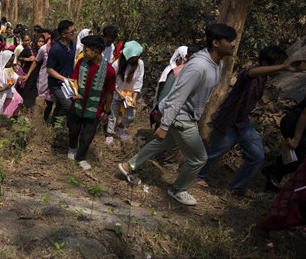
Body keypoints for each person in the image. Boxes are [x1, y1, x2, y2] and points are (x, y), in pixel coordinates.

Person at [118, 23, 237, 206]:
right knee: (199, 158)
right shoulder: (198, 66)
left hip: (187, 115)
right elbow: (177, 97)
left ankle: (128, 166)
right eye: (229, 40)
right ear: (215, 42)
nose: (233, 44)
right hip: (181, 116)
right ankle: (178, 189)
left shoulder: (216, 64)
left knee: (161, 144)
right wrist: (164, 125)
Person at [197, 46, 299, 195]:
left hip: (243, 124)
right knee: (215, 152)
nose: (279, 69)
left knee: (257, 156)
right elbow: (251, 73)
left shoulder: (264, 79)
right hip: (228, 121)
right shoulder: (250, 72)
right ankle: (198, 176)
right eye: (277, 64)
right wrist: (284, 66)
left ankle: (237, 188)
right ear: (265, 62)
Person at [68, 35, 116, 171]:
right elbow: (75, 78)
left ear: (96, 52)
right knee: (73, 129)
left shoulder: (110, 71)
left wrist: (107, 111)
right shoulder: (81, 62)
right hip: (77, 104)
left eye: (86, 50)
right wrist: (75, 91)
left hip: (95, 108)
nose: (84, 52)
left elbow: (110, 92)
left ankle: (81, 157)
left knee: (88, 135)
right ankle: (72, 148)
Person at [261, 95, 306, 192]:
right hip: (295, 122)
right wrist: (296, 138)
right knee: (301, 158)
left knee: (292, 153)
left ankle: (272, 184)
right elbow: (304, 115)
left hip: (298, 126)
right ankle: (272, 170)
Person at [106, 41, 145, 139]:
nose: (134, 59)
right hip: (116, 93)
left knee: (130, 117)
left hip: (129, 96)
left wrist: (134, 97)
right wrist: (118, 92)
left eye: (136, 57)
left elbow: (139, 81)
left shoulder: (140, 64)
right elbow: (111, 81)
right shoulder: (117, 64)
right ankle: (110, 133)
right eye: (132, 57)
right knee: (113, 115)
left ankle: (120, 128)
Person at [46, 20, 77, 128]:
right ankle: (58, 126)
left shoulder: (73, 45)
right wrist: (64, 79)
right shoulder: (55, 49)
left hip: (68, 83)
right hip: (56, 84)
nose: (74, 34)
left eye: (74, 31)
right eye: (71, 32)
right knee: (68, 106)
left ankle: (53, 126)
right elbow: (49, 69)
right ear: (63, 34)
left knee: (61, 105)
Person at [36, 31, 56, 122]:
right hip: (44, 77)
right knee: (41, 98)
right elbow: (36, 61)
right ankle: (37, 120)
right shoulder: (43, 49)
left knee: (50, 101)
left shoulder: (59, 50)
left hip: (54, 77)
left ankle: (44, 119)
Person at [16, 32, 40, 108]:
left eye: (28, 40)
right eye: (25, 41)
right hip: (26, 71)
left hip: (35, 72)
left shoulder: (35, 48)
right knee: (26, 88)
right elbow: (19, 57)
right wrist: (28, 59)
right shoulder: (27, 49)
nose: (27, 42)